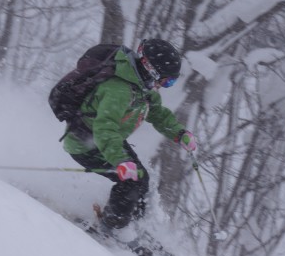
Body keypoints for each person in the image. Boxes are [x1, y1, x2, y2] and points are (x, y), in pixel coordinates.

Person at [60, 38, 197, 243]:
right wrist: (120, 161)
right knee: (131, 183)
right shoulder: (119, 90)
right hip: (86, 144)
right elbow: (104, 128)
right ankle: (112, 228)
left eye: (171, 83)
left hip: (108, 142)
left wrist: (178, 133)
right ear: (152, 70)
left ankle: (131, 226)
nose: (165, 85)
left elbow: (157, 114)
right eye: (167, 81)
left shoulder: (143, 88)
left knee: (142, 180)